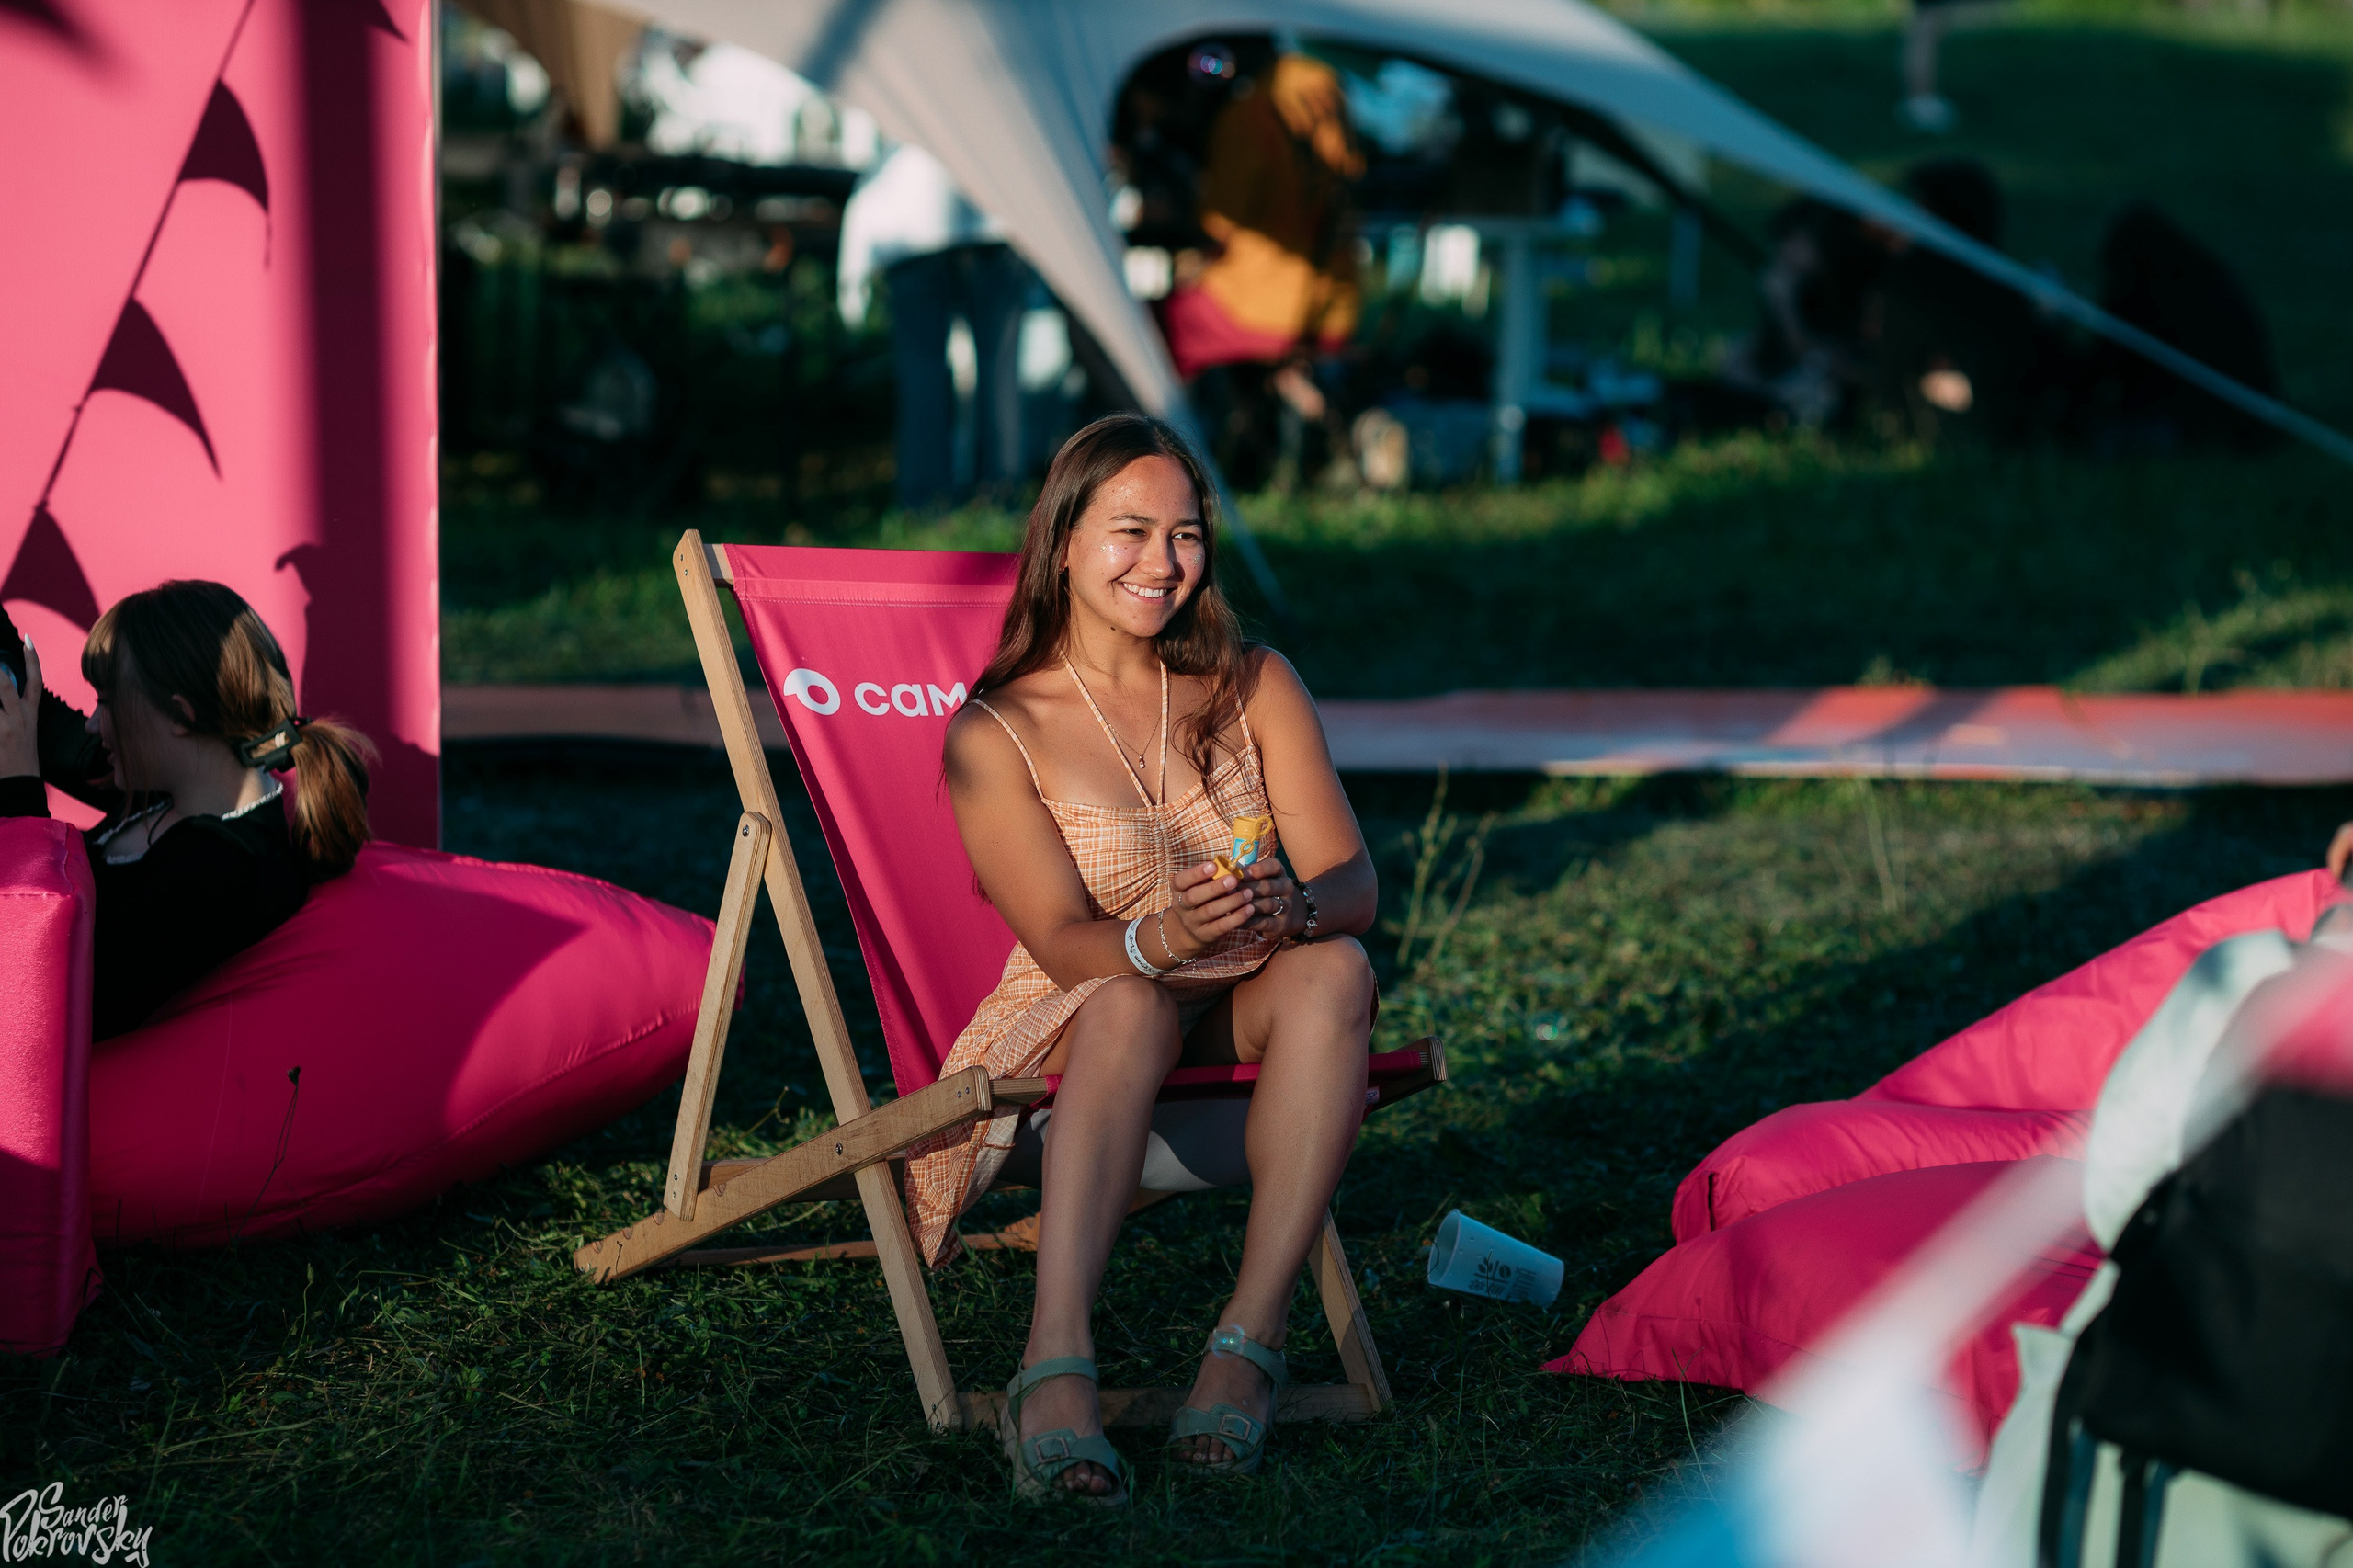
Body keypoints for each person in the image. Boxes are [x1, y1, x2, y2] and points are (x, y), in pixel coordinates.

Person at [915, 414, 1377, 1501]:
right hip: (1069, 1051)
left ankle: (1246, 1345)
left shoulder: (1252, 682)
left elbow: (1354, 885)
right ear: (1062, 542)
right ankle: (1053, 1367)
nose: (1161, 563)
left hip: (1226, 1022)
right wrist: (1159, 937)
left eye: (1185, 533)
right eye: (1129, 530)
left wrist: (1292, 905)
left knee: (1335, 971)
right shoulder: (997, 730)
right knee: (1129, 1000)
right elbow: (1062, 942)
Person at [0, 582, 374, 1040]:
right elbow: (36, 720)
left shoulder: (226, 870)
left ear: (180, 717)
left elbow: (55, 993)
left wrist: (17, 794)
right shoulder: (166, 789)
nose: (94, 723)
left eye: (107, 702)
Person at [1162, 52, 1365, 487]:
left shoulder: (1248, 115)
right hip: (1333, 305)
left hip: (1259, 307)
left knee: (1155, 329)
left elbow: (1221, 223)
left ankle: (1162, 461)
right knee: (1272, 362)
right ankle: (1315, 428)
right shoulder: (1334, 102)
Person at [836, 142, 1036, 508]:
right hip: (993, 216)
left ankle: (926, 497)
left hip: (912, 221)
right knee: (999, 367)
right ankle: (1000, 492)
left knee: (922, 371)